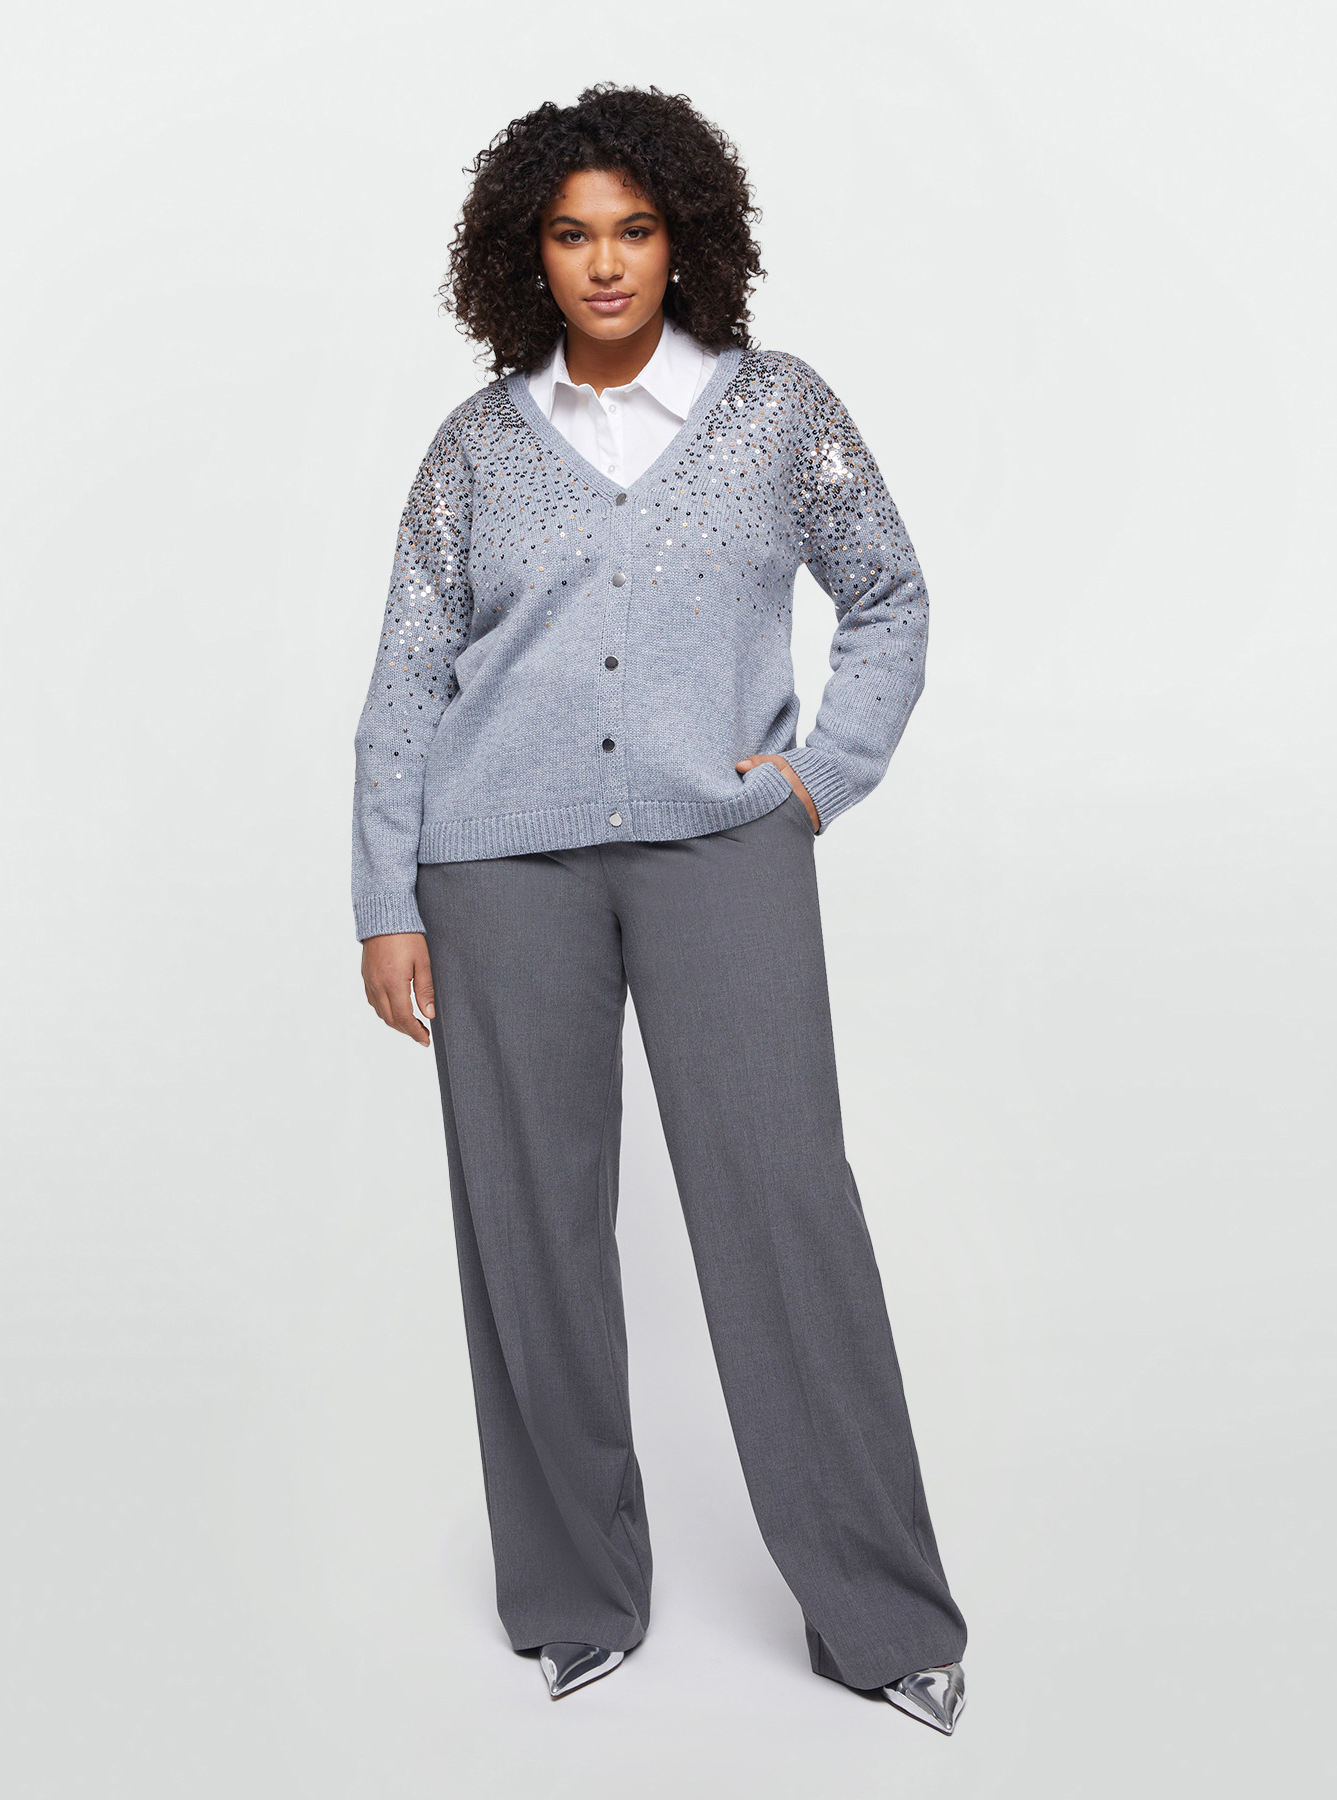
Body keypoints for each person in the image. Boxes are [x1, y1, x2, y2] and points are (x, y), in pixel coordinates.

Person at [352, 84, 968, 1732]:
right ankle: (573, 1596)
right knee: (529, 1228)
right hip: (494, 867)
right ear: (527, 255)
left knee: (784, 1207)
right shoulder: (477, 445)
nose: (606, 262)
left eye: (632, 229)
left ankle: (880, 1616)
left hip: (723, 843)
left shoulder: (775, 411)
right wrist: (383, 894)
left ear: (683, 238)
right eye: (572, 235)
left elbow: (888, 592)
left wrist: (822, 771)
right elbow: (408, 677)